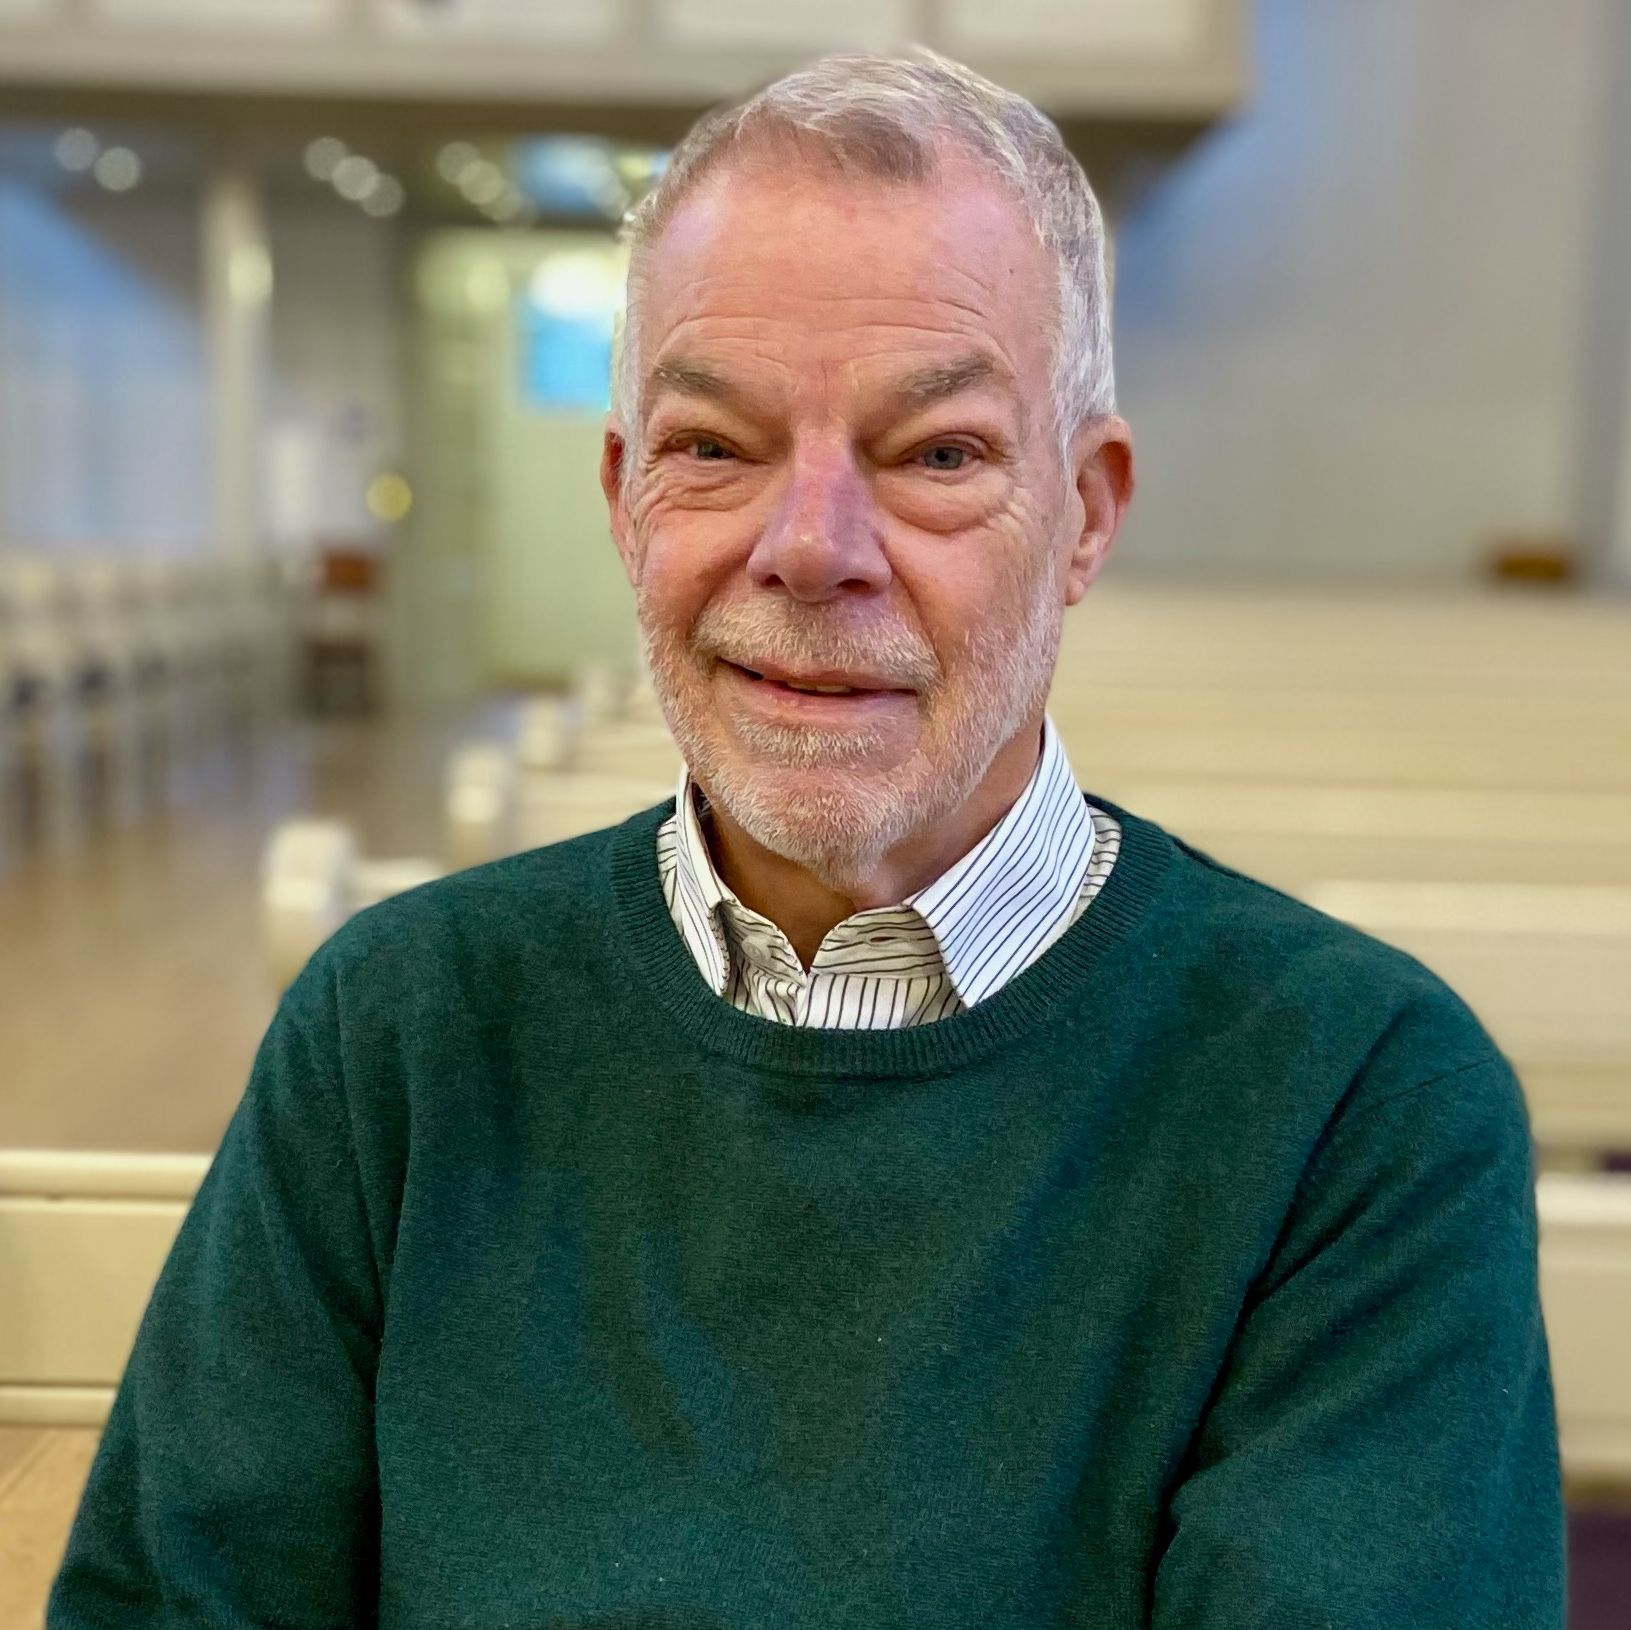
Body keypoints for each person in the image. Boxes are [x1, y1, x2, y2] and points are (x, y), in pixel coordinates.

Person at [49, 48, 1564, 1630]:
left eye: (938, 454)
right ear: (626, 496)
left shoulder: (1356, 1098)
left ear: (1087, 512)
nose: (811, 548)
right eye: (715, 445)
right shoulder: (398, 1034)